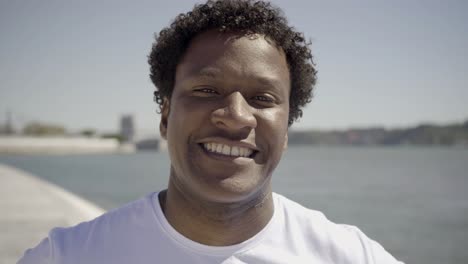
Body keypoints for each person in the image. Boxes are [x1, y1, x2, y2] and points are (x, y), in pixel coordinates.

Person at [19, 0, 404, 263]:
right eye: (206, 91)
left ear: (286, 128)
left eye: (262, 98)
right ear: (165, 115)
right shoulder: (69, 256)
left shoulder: (350, 256)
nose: (236, 116)